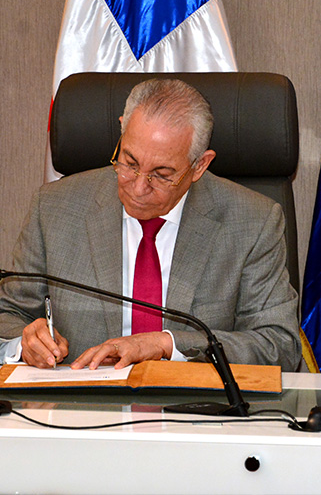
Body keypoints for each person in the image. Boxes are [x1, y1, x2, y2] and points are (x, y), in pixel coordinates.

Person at [0, 79, 301, 371]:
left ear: (199, 165)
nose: (138, 187)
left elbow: (279, 345)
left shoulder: (253, 221)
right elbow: (8, 314)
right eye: (129, 163)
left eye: (161, 174)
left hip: (198, 414)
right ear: (121, 131)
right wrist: (24, 341)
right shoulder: (55, 208)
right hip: (81, 409)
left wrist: (167, 345)